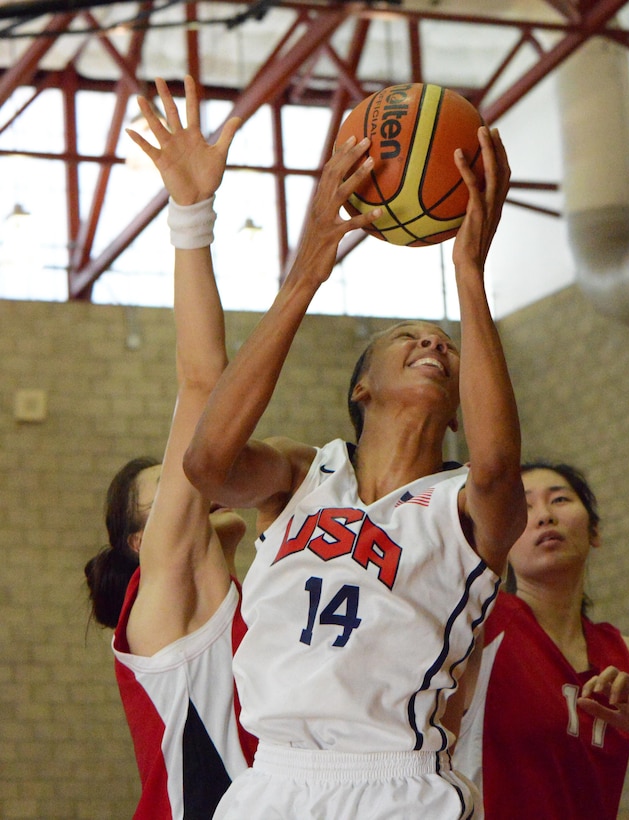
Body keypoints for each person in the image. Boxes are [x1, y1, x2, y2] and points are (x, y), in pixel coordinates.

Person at [180, 113, 526, 818]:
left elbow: (495, 466)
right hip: (270, 781)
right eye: (406, 337)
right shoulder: (301, 474)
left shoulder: (467, 505)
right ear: (361, 388)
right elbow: (208, 464)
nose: (432, 338)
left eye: (444, 345)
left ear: (462, 404)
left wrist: (467, 272)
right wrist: (304, 274)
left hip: (397, 781)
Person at [84, 75, 256, 818]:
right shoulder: (160, 606)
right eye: (172, 487)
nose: (195, 481)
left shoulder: (238, 599)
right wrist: (192, 215)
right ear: (137, 540)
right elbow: (201, 382)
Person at [453, 461, 629, 819]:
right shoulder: (476, 622)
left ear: (594, 531)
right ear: (500, 535)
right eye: (525, 506)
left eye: (560, 500)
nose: (544, 516)